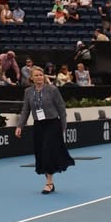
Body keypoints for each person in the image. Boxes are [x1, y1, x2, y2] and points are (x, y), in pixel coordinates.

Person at [15, 66, 74, 194]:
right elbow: (25, 110)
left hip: (53, 124)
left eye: (41, 75)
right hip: (38, 125)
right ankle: (49, 181)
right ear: (31, 78)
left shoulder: (52, 89)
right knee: (41, 153)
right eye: (36, 75)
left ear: (44, 76)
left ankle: (49, 183)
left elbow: (61, 109)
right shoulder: (28, 92)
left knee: (48, 151)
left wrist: (63, 127)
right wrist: (20, 126)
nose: (39, 77)